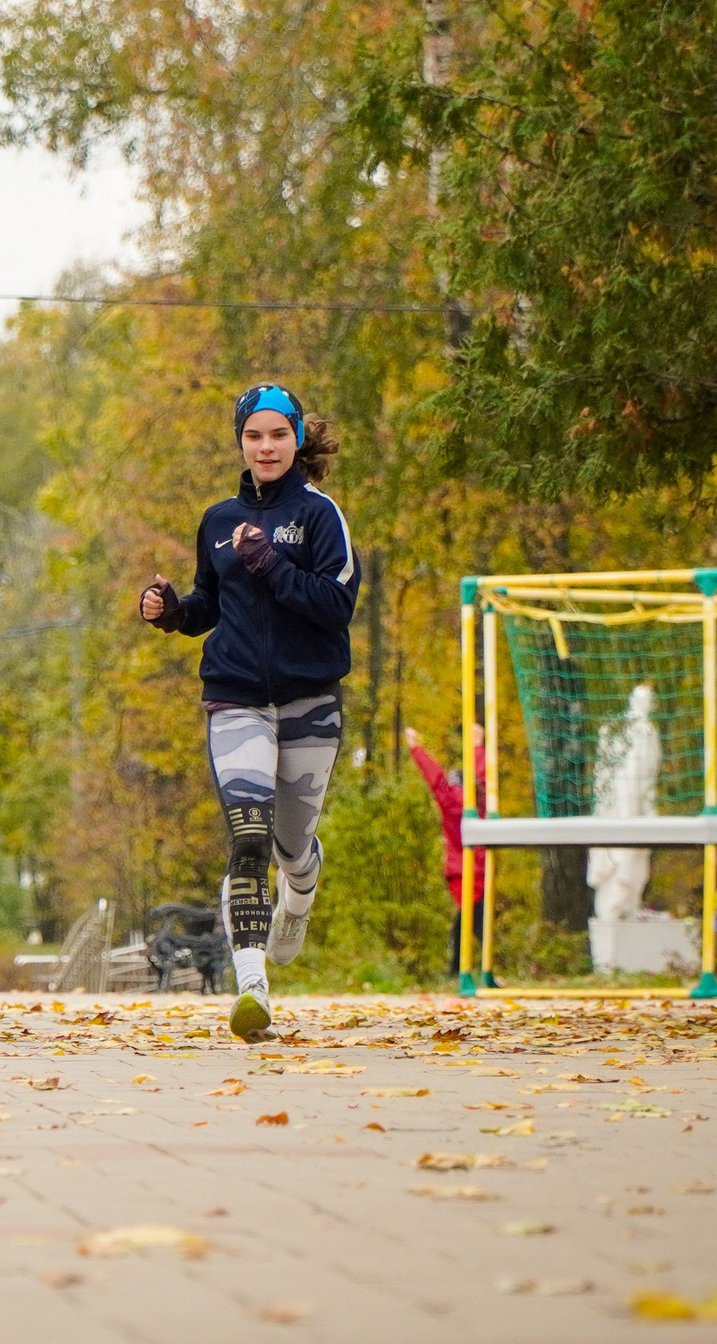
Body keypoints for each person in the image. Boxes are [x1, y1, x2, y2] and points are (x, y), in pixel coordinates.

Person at [138, 384, 357, 1039]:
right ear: (241, 440)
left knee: (291, 845)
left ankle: (302, 890)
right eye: (254, 436)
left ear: (297, 440)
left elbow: (336, 606)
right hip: (234, 696)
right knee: (248, 832)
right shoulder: (217, 520)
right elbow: (213, 601)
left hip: (309, 697)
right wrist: (176, 612)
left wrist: (271, 564)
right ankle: (253, 985)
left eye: (277, 435)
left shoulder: (320, 517)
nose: (265, 447)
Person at [404, 727, 488, 978]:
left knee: (470, 915)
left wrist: (416, 748)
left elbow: (435, 778)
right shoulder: (478, 800)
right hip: (479, 867)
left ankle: (462, 968)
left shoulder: (450, 798)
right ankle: (465, 968)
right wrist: (477, 745)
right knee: (473, 915)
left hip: (459, 869)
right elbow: (480, 776)